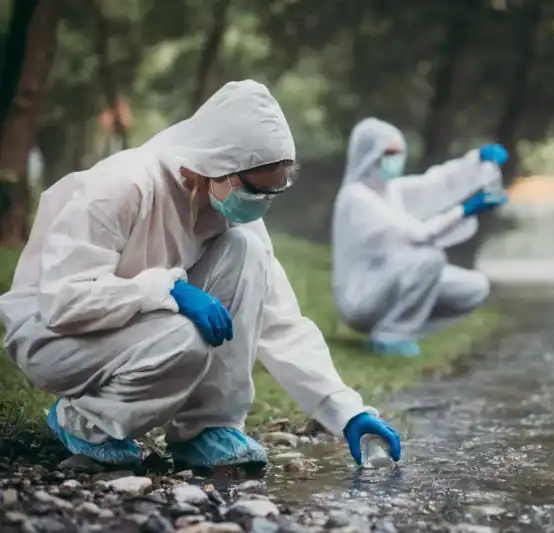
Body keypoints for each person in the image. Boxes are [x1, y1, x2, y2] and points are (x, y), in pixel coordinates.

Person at [0, 81, 401, 469]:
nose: (260, 204)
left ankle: (207, 428)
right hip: (53, 335)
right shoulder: (123, 185)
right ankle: (86, 422)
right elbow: (63, 301)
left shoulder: (227, 212)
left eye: (272, 194)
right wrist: (166, 290)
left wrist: (346, 410)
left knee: (247, 253)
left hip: (135, 326)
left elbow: (281, 322)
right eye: (255, 191)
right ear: (220, 164)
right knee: (185, 339)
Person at [332, 118, 508, 357]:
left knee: (474, 288)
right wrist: (466, 210)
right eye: (390, 152)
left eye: (400, 152)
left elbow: (438, 184)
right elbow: (419, 234)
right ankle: (391, 337)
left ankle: (400, 330)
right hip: (361, 297)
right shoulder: (356, 197)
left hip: (387, 282)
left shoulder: (390, 191)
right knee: (428, 258)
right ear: (370, 154)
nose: (397, 159)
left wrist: (478, 160)